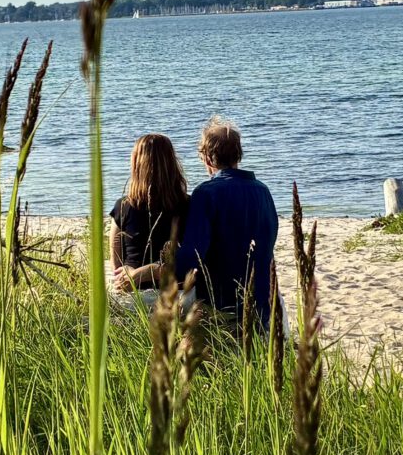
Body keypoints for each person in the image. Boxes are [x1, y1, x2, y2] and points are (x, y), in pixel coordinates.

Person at [167, 115, 279, 336]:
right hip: (262, 304)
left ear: (207, 158)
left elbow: (191, 256)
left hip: (222, 307)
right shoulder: (263, 191)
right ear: (238, 154)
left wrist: (160, 268)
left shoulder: (206, 194)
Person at [108, 133, 189, 295]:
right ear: (172, 164)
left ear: (136, 165)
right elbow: (191, 260)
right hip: (174, 295)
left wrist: (133, 273)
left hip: (131, 294)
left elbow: (116, 263)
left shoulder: (122, 206)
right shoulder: (187, 205)